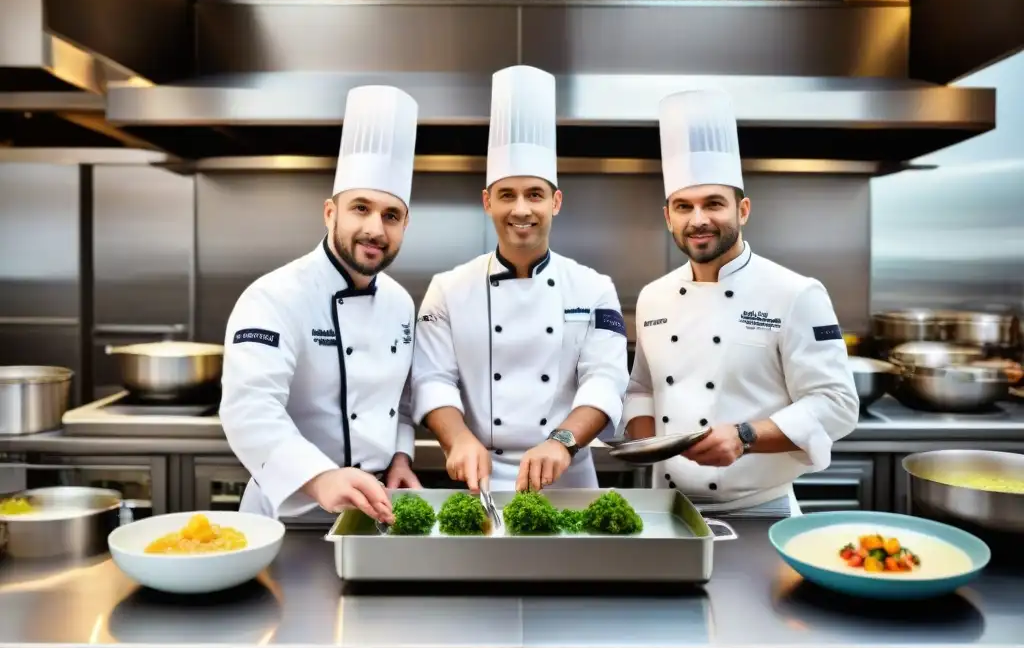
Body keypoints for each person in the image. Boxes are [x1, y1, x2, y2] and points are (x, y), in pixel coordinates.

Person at [623, 88, 859, 517]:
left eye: (714, 203)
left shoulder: (795, 293)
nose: (698, 220)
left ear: (743, 209)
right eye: (684, 206)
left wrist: (746, 435)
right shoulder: (653, 297)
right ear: (668, 216)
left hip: (761, 511)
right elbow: (641, 387)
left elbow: (837, 403)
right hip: (667, 509)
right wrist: (644, 443)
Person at [411, 65, 630, 493]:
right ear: (487, 202)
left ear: (557, 202)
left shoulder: (594, 287)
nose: (522, 210)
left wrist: (562, 442)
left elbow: (606, 379)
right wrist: (457, 440)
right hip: (480, 475)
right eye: (507, 195)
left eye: (535, 194)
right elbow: (432, 378)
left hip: (569, 474)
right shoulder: (448, 288)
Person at [219, 85, 422, 524]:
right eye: (360, 208)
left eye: (391, 215)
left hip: (377, 511)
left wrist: (401, 458)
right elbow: (249, 410)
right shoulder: (273, 297)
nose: (375, 229)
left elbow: (402, 401)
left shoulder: (401, 303)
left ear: (405, 224)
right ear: (330, 213)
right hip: (290, 515)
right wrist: (319, 477)